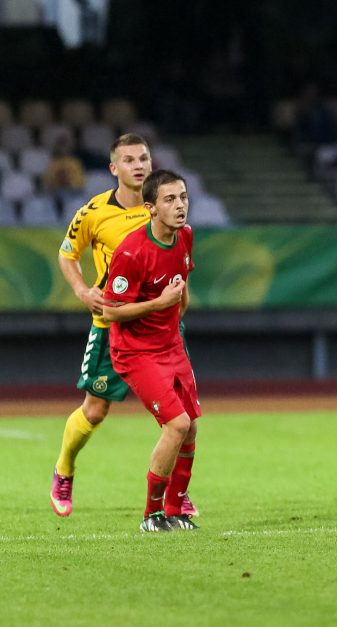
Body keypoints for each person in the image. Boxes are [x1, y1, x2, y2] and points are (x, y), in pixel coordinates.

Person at [49, 134, 195, 520]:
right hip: (114, 327)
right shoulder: (94, 213)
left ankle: (176, 496)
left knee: (181, 419)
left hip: (162, 332)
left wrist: (177, 307)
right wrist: (82, 290)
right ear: (114, 168)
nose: (138, 165)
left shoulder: (168, 209)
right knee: (95, 412)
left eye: (143, 157)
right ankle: (64, 468)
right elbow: (67, 255)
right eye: (128, 160)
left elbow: (179, 261)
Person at [101, 169, 199, 532]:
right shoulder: (131, 251)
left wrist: (173, 313)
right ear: (151, 208)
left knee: (191, 429)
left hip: (171, 344)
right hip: (135, 351)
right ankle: (151, 515)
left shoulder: (185, 236)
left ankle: (175, 511)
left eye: (183, 197)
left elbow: (182, 286)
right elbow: (110, 310)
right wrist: (160, 305)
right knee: (177, 424)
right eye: (170, 199)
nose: (180, 206)